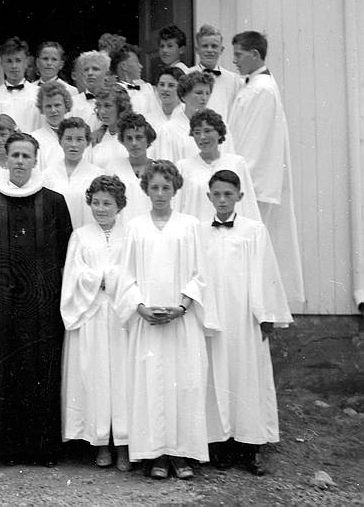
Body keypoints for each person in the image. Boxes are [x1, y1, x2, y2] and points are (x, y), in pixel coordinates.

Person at [115, 160, 218, 479]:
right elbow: (125, 275)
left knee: (182, 384)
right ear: (146, 189)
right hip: (147, 323)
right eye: (155, 187)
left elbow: (200, 274)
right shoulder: (135, 226)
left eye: (166, 187)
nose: (160, 193)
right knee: (151, 385)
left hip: (180, 322)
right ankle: (155, 455)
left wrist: (183, 307)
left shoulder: (188, 226)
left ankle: (180, 454)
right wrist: (141, 307)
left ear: (175, 189)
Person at [0, 132, 73, 465]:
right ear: (5, 158)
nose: (19, 161)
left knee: (40, 370)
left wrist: (61, 300)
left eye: (25, 156)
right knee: (3, 372)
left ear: (35, 160)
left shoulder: (54, 202)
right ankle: (3, 449)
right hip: (2, 305)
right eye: (14, 155)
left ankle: (41, 449)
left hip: (43, 304)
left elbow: (66, 256)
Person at [201, 170, 292, 475]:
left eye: (228, 194)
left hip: (245, 318)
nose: (223, 200)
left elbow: (266, 273)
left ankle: (249, 448)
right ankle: (221, 445)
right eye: (217, 194)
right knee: (218, 379)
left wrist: (266, 317)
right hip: (215, 318)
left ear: (240, 196)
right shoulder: (201, 232)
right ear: (209, 197)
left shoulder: (254, 230)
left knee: (246, 377)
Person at [61, 175, 131, 471]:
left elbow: (133, 271)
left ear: (120, 205)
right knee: (95, 376)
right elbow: (73, 275)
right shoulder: (80, 236)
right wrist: (99, 279)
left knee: (122, 378)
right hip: (89, 312)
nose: (101, 209)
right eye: (97, 202)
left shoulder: (130, 235)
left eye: (108, 203)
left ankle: (124, 443)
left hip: (120, 315)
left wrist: (111, 281)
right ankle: (100, 442)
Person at [228, 31, 304, 303]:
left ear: (255, 55)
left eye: (238, 54)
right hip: (246, 181)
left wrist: (234, 181)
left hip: (252, 186)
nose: (233, 60)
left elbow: (253, 143)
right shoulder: (251, 86)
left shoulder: (261, 89)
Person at [175, 109, 259, 221]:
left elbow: (248, 205)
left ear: (219, 134)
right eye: (197, 132)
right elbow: (177, 207)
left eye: (207, 131)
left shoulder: (236, 163)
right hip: (197, 233)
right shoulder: (183, 167)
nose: (202, 137)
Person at [153, 70, 233, 163]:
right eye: (199, 93)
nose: (204, 98)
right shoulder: (169, 130)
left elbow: (229, 159)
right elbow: (165, 167)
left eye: (207, 93)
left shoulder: (220, 126)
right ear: (183, 96)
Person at [42, 117, 104, 229]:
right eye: (68, 139)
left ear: (87, 143)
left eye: (79, 139)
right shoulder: (47, 175)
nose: (73, 144)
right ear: (60, 141)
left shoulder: (97, 175)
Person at [0, 36, 41, 132]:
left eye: (18, 60)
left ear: (25, 63)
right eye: (9, 61)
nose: (14, 66)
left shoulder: (39, 94)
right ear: (2, 64)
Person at [107, 113, 155, 222]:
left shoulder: (158, 170)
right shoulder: (113, 169)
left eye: (139, 137)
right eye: (129, 138)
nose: (134, 143)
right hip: (121, 231)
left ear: (148, 139)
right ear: (122, 141)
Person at [189, 24, 240, 121]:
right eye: (205, 46)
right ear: (197, 50)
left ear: (221, 50)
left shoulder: (234, 80)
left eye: (214, 46)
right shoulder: (187, 75)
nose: (209, 50)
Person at [89, 83, 134, 170]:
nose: (102, 111)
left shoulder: (134, 135)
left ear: (121, 107)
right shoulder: (96, 138)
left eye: (107, 106)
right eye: (99, 106)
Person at [31, 80, 72, 172]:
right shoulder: (34, 138)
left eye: (57, 105)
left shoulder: (77, 135)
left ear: (66, 106)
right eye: (48, 106)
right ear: (42, 109)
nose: (53, 110)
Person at [110, 45, 159, 117]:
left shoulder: (147, 88)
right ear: (124, 66)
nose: (141, 66)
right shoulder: (113, 92)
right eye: (137, 62)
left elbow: (157, 113)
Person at [69, 51, 107, 130]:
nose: (90, 73)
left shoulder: (116, 101)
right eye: (86, 70)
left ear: (106, 74)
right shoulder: (72, 103)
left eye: (95, 69)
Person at [145, 67, 185, 132]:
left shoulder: (190, 115)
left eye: (171, 85)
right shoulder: (147, 119)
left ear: (181, 88)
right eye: (162, 84)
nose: (165, 89)